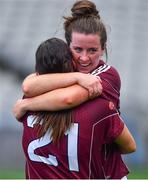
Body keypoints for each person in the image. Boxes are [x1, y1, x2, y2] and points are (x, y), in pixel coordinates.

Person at [15, 37, 136, 179]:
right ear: (72, 63)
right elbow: (129, 146)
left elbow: (29, 86)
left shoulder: (27, 104)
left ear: (38, 72)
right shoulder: (100, 108)